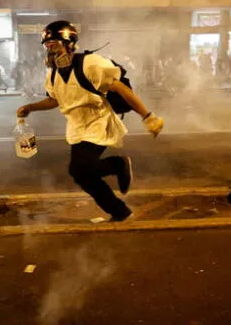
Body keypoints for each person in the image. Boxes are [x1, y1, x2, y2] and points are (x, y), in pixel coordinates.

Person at [16, 20, 164, 222]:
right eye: (48, 46)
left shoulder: (90, 63)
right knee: (82, 176)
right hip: (77, 128)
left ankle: (117, 165)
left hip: (98, 123)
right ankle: (119, 211)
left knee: (77, 168)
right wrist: (31, 107)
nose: (51, 51)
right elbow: (55, 99)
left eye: (55, 45)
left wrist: (148, 116)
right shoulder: (53, 75)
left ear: (70, 44)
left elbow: (120, 88)